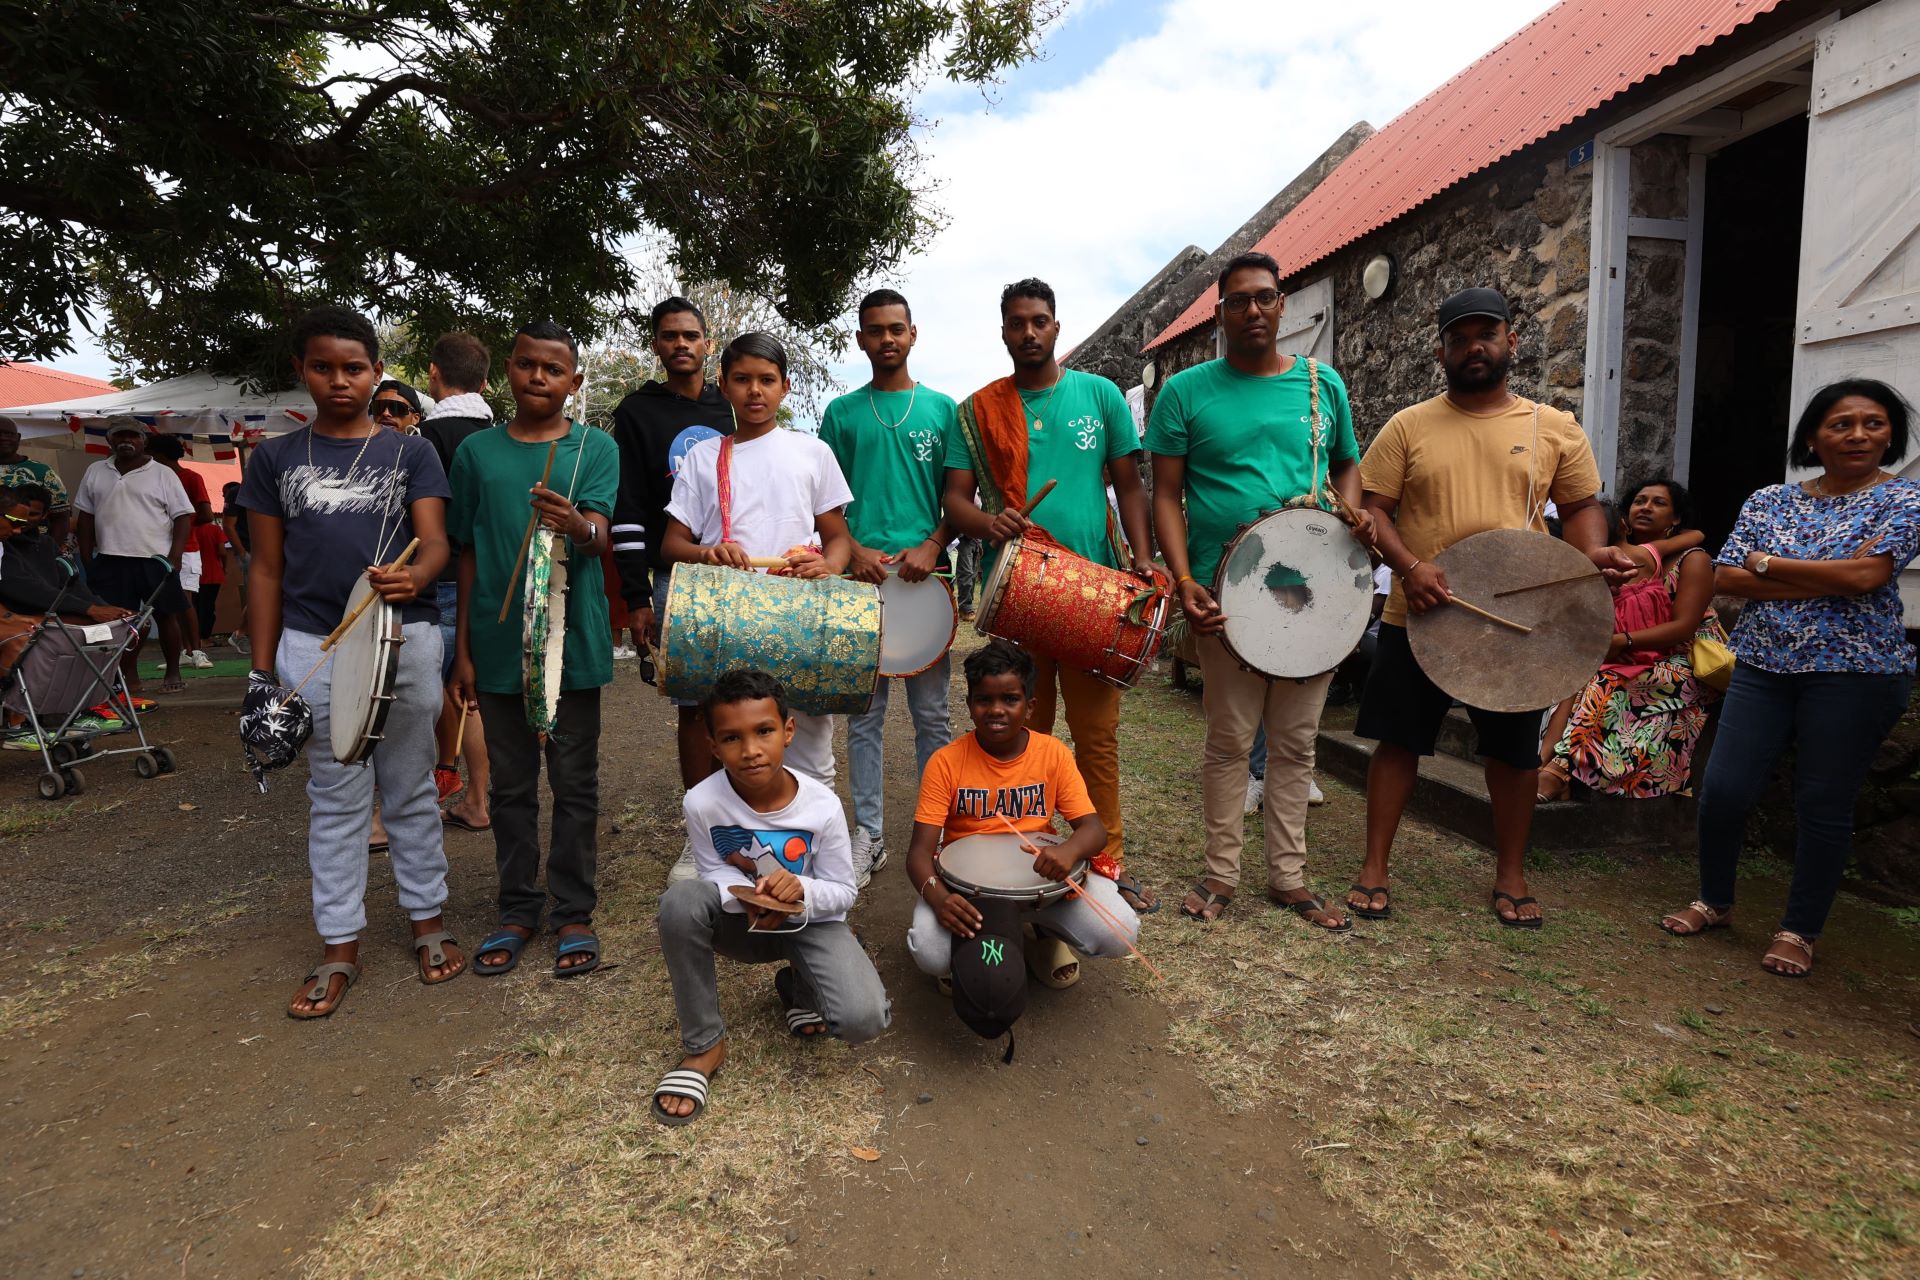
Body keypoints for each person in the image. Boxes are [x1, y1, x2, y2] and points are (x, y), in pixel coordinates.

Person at [1347, 288, 1634, 929]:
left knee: (1513, 755)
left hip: (1516, 623)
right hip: (1420, 610)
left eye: (1487, 334)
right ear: (1442, 350)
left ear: (1511, 342)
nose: (1474, 346)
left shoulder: (1551, 427)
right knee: (1399, 744)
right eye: (1460, 337)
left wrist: (1589, 560)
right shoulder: (1408, 425)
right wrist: (1409, 568)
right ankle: (1374, 868)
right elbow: (1372, 510)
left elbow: (1584, 507)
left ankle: (1511, 873)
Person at [235, 305, 463, 1018]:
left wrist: (417, 577)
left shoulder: (411, 452)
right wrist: (263, 671)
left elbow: (435, 543)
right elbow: (266, 570)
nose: (340, 381)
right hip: (312, 641)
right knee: (334, 797)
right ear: (301, 370)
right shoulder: (273, 459)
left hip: (406, 636)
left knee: (411, 787)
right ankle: (339, 944)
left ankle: (428, 923)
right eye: (323, 367)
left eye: (355, 368)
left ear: (376, 372)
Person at [1661, 380, 1919, 978]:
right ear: (1812, 436)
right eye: (1841, 424)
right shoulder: (1769, 500)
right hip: (1762, 663)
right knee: (1723, 790)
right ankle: (1715, 900)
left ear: (1891, 435)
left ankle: (1800, 929)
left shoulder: (1903, 502)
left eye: (1874, 424)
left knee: (1822, 802)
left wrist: (1770, 565)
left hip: (1855, 673)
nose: (1858, 435)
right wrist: (1832, 574)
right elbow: (1725, 577)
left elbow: (1866, 580)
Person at [1146, 252, 1372, 929]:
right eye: (1237, 300)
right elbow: (1164, 494)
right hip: (1226, 595)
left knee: (1298, 743)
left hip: (1316, 592)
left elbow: (1348, 466)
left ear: (1283, 307)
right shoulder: (1185, 392)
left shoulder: (1320, 383)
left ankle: (1289, 878)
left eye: (1264, 298)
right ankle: (1220, 877)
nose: (1252, 310)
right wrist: (1182, 579)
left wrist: (1351, 508)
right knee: (1229, 739)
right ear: (1219, 314)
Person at [943, 278, 1160, 914]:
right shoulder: (978, 409)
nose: (1029, 332)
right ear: (1004, 331)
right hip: (1018, 592)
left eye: (1040, 321)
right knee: (1022, 734)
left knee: (1096, 736)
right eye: (1017, 323)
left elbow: (1130, 484)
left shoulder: (1098, 396)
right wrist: (990, 523)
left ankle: (1106, 859)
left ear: (1057, 327)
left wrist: (1143, 562)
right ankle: (1024, 855)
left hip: (1093, 595)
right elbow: (956, 500)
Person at [449, 322, 618, 980]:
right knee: (511, 785)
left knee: (575, 784)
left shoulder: (591, 449)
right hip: (493, 648)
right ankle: (517, 907)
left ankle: (572, 909)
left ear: (574, 382)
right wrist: (462, 647)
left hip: (571, 643)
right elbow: (465, 549)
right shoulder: (476, 455)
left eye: (554, 369)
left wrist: (575, 523)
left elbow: (600, 535)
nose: (539, 378)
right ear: (507, 373)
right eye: (527, 365)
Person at [651, 669, 889, 1125]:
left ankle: (802, 986)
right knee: (681, 901)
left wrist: (800, 887)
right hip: (742, 925)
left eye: (764, 731)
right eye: (732, 738)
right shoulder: (702, 802)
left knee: (864, 1019)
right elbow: (713, 871)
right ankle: (705, 1046)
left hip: (809, 924)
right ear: (712, 745)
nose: (751, 750)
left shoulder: (822, 805)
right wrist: (749, 894)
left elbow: (842, 892)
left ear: (789, 731)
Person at [661, 331, 854, 787]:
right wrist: (708, 552)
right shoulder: (704, 457)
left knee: (808, 742)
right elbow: (672, 545)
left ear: (784, 387)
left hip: (800, 615)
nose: (754, 391)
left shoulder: (813, 452)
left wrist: (829, 566)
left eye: (766, 379)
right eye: (742, 379)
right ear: (723, 385)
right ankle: (713, 839)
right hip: (725, 617)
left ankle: (813, 846)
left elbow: (839, 538)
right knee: (731, 735)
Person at [820, 288, 957, 887]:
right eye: (875, 331)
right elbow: (823, 501)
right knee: (865, 716)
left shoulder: (944, 410)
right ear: (861, 340)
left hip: (929, 583)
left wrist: (934, 543)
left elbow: (962, 494)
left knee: (933, 715)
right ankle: (869, 833)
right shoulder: (841, 414)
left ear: (914, 332)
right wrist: (852, 549)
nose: (887, 340)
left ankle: (943, 828)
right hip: (860, 585)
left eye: (896, 329)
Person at [903, 639, 1136, 985]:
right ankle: (984, 947)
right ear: (969, 705)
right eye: (984, 699)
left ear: (1030, 706)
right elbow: (918, 855)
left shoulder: (1052, 754)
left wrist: (1068, 850)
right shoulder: (946, 762)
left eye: (1010, 699)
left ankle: (1041, 935)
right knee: (932, 953)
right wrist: (941, 901)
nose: (996, 710)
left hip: (1040, 886)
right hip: (969, 891)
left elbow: (1093, 830)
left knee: (1121, 931)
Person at [610, 297, 736, 879]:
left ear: (708, 343)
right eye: (669, 336)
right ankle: (702, 831)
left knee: (747, 698)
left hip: (743, 578)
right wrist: (638, 598)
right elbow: (630, 506)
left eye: (691, 335)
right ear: (656, 345)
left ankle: (750, 820)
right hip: (675, 576)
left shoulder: (733, 402)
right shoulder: (636, 412)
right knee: (693, 705)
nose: (681, 344)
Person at [1536, 479, 1716, 802]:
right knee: (1578, 677)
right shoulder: (1615, 563)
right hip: (1629, 652)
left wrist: (1623, 641)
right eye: (1639, 501)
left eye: (1658, 503)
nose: (1645, 507)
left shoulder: (1692, 559)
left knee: (1607, 678)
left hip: (1684, 661)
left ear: (1676, 519)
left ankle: (1559, 771)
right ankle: (1543, 761)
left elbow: (1684, 628)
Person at [420, 333, 495, 834]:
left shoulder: (423, 439)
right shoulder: (505, 435)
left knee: (434, 693)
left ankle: (422, 799)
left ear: (432, 374)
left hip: (439, 579)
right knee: (474, 695)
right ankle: (479, 799)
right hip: (491, 580)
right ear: (487, 381)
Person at [71, 416, 192, 696]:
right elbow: (86, 516)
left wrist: (175, 555)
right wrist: (87, 555)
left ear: (143, 440)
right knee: (120, 622)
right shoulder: (95, 470)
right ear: (110, 440)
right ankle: (129, 676)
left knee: (166, 616)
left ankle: (173, 671)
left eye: (133, 436)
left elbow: (183, 517)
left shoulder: (162, 473)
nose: (127, 441)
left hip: (155, 559)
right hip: (111, 558)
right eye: (120, 436)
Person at [145, 432, 216, 670]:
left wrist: (178, 521)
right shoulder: (152, 479)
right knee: (169, 603)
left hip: (186, 548)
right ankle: (182, 653)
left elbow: (206, 514)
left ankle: (196, 651)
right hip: (158, 549)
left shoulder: (190, 477)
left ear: (158, 455)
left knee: (185, 601)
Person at [0, 415, 70, 544]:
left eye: (8, 434)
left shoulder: (42, 472)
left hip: (32, 547)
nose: (3, 438)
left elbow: (61, 516)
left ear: (18, 438)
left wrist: (52, 550)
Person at [222, 480, 251, 654]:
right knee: (260, 596)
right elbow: (228, 525)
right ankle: (240, 633)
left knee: (268, 596)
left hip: (271, 551)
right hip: (250, 551)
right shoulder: (236, 492)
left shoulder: (273, 487)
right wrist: (242, 553)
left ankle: (241, 633)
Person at [954, 535, 981, 621]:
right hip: (964, 536)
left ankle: (967, 607)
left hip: (977, 538)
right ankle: (966, 608)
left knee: (973, 574)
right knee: (966, 573)